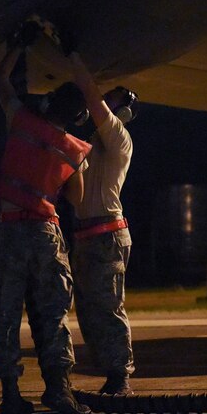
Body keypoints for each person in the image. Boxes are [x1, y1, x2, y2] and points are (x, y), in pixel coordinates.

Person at [0, 26, 92, 414]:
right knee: (53, 312)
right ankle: (60, 390)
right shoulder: (72, 149)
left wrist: (17, 46)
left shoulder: (21, 122)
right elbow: (77, 199)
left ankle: (10, 394)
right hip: (46, 233)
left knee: (9, 312)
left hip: (11, 229)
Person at [68, 51, 138, 395]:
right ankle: (110, 375)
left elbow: (94, 101)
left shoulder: (119, 139)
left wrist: (75, 60)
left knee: (108, 307)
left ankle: (120, 376)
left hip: (106, 234)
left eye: (113, 103)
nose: (103, 106)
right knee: (89, 312)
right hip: (86, 236)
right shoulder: (88, 146)